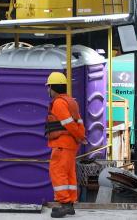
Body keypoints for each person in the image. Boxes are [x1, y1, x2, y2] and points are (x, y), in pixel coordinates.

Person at [45, 72, 86, 218]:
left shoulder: (58, 103)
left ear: (53, 87)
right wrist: (80, 137)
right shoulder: (71, 101)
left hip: (62, 144)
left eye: (48, 87)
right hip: (70, 144)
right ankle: (70, 204)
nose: (48, 90)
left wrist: (79, 136)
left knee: (58, 172)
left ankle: (65, 203)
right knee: (69, 173)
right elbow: (78, 123)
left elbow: (68, 124)